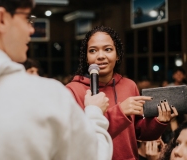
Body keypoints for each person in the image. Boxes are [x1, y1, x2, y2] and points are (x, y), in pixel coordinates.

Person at [0, 1, 113, 159]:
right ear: (1, 19)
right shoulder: (48, 97)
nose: (31, 29)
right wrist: (94, 114)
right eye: (27, 18)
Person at [66, 25, 178, 160]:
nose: (100, 56)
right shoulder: (72, 90)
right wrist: (120, 112)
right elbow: (80, 140)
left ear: (117, 55)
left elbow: (139, 132)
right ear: (86, 57)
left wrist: (160, 121)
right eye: (93, 51)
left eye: (108, 49)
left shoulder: (129, 85)